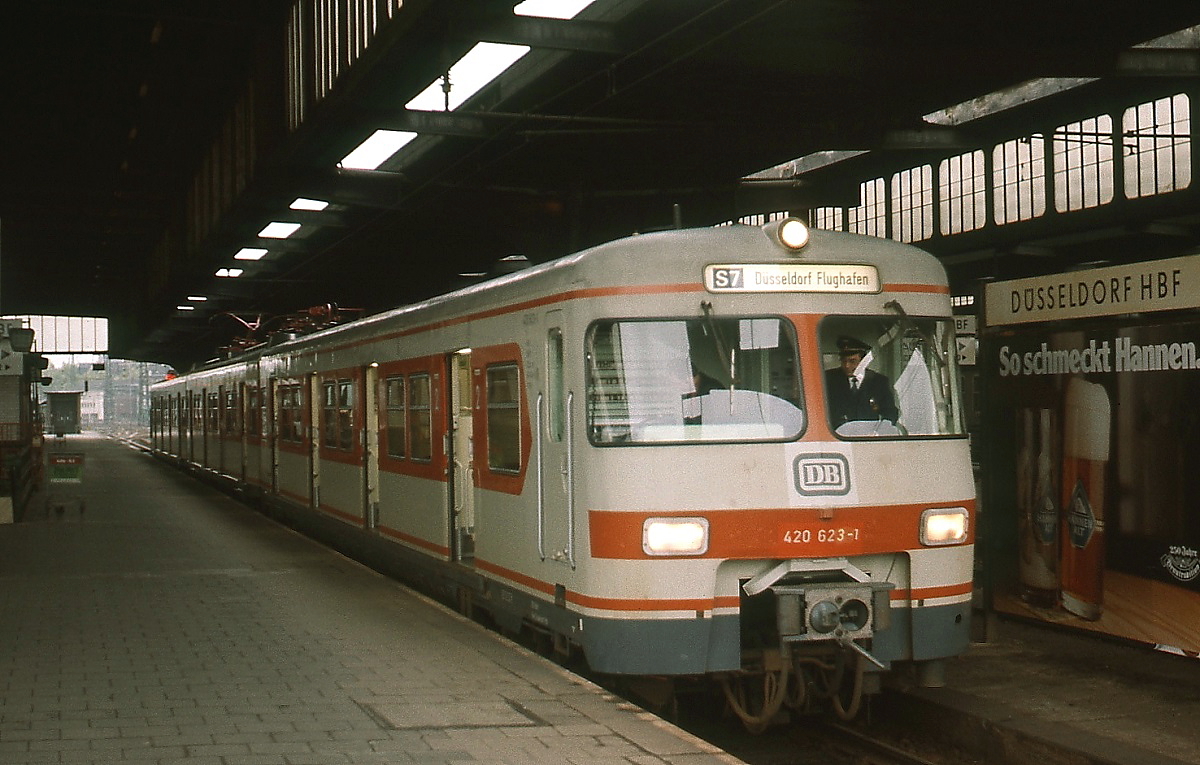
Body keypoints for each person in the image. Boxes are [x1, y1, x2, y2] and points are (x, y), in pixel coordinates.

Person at [824, 335, 898, 426]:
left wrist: (883, 427)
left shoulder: (879, 382)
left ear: (863, 362)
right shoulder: (829, 379)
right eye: (843, 361)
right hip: (837, 433)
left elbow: (891, 413)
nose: (847, 366)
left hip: (868, 433)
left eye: (852, 361)